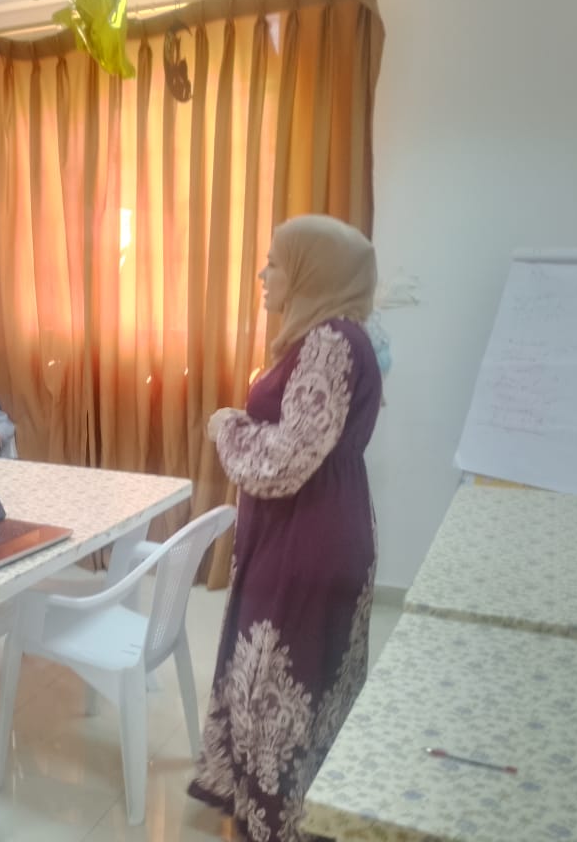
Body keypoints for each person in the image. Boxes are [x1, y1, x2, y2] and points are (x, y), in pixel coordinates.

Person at [188, 215, 383, 842]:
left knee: (278, 686)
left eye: (275, 262)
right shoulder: (340, 336)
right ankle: (281, 804)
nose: (263, 274)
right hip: (315, 528)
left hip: (306, 539)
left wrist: (227, 426)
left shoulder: (329, 341)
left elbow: (283, 462)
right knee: (294, 678)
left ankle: (279, 821)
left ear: (310, 273)